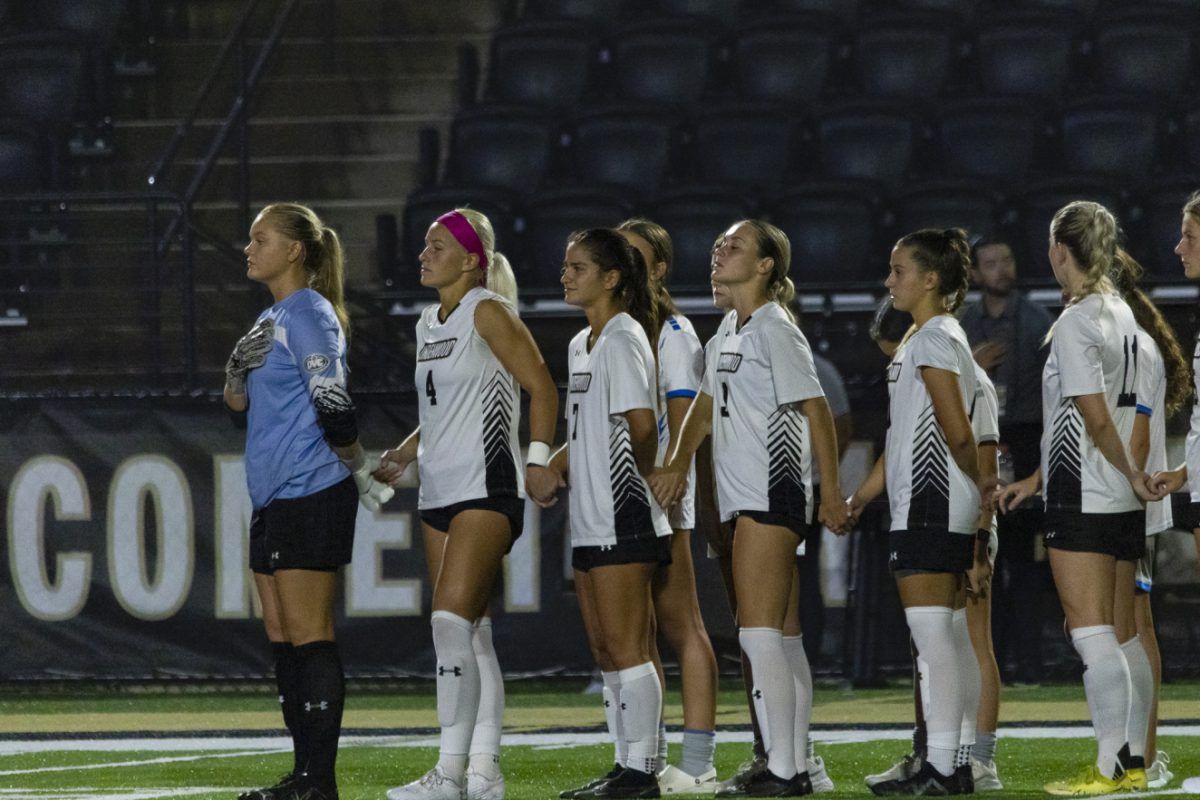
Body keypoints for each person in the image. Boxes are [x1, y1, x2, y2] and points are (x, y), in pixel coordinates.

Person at [652, 219, 849, 797]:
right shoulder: (726, 334)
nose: (719, 251)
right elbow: (703, 411)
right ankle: (798, 764)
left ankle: (786, 771)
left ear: (766, 265)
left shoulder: (774, 330)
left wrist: (830, 493)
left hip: (773, 492)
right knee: (781, 638)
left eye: (733, 246)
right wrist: (674, 464)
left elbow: (818, 413)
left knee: (758, 635)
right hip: (747, 498)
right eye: (717, 244)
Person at [376, 209, 559, 800]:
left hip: (486, 486)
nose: (424, 255)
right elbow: (440, 411)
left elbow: (542, 385)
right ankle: (484, 770)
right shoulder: (432, 319)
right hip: (438, 489)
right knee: (473, 634)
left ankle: (448, 774)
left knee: (449, 624)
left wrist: (536, 459)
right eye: (425, 246)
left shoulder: (488, 310)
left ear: (471, 259)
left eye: (436, 246)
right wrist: (405, 452)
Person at [227, 203, 393, 800]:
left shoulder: (311, 314)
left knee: (308, 631)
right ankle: (303, 774)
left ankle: (317, 780)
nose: (248, 247)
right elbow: (240, 404)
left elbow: (333, 402)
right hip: (272, 494)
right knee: (281, 634)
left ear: (295, 249)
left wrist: (353, 464)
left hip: (309, 488)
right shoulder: (269, 318)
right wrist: (234, 373)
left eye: (260, 238)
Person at [996, 201, 1158, 796]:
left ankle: (1112, 766)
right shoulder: (1122, 314)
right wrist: (1036, 480)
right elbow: (1100, 412)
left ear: (1059, 251)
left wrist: (1129, 471)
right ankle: (1134, 763)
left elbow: (1092, 415)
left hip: (1087, 491)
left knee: (1089, 633)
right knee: (1121, 633)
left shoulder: (1073, 321)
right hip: (1112, 495)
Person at [847, 229, 983, 796]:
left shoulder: (931, 340)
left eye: (898, 270)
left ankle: (945, 767)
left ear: (931, 280)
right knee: (942, 637)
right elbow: (900, 437)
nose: (888, 281)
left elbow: (957, 431)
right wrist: (859, 498)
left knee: (933, 641)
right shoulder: (925, 340)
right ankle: (948, 763)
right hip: (926, 503)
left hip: (932, 504)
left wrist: (987, 489)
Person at [546, 228, 674, 799]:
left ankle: (642, 769)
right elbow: (592, 427)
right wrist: (557, 462)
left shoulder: (622, 337)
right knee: (605, 648)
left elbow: (641, 426)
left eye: (577, 267)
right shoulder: (583, 342)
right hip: (590, 514)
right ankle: (625, 763)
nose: (566, 276)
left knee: (628, 646)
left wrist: (642, 482)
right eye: (566, 266)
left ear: (612, 278)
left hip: (625, 512)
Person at [616, 219, 720, 794]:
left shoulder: (673, 331)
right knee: (637, 631)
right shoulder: (614, 331)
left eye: (636, 256)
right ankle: (643, 757)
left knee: (682, 624)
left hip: (657, 492)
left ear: (658, 269)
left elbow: (684, 420)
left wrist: (670, 476)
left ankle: (699, 760)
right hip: (618, 498)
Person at [958, 234, 1053, 687]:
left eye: (1007, 260)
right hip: (976, 442)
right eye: (990, 263)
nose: (1001, 270)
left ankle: (1030, 662)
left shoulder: (1036, 322)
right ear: (974, 272)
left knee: (1023, 560)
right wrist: (972, 364)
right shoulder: (961, 323)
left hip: (1024, 438)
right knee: (980, 556)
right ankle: (985, 659)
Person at [1110, 248, 1188, 791]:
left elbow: (1135, 427)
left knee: (1131, 624)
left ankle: (1144, 752)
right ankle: (1139, 749)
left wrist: (1131, 487)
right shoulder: (1126, 333)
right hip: (1125, 495)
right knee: (1127, 622)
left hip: (1129, 499)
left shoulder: (1131, 339)